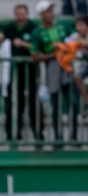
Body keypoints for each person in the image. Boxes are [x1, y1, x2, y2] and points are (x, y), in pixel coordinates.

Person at [31, 1, 78, 147]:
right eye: (47, 12)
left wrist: (66, 50)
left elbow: (75, 41)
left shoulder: (63, 26)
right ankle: (58, 138)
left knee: (73, 103)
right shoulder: (37, 32)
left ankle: (74, 137)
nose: (51, 14)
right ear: (41, 15)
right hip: (52, 69)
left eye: (51, 11)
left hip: (68, 68)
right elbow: (34, 55)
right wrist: (54, 54)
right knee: (55, 105)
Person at [0, 4, 38, 143]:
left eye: (23, 14)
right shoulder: (10, 27)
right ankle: (13, 134)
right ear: (15, 15)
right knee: (14, 103)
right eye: (18, 14)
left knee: (34, 103)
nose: (21, 17)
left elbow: (38, 47)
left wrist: (23, 44)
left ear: (27, 14)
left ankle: (38, 135)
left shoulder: (33, 27)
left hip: (31, 72)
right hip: (14, 73)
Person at [64, 15, 88, 117]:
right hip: (82, 66)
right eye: (77, 25)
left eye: (81, 25)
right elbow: (66, 43)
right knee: (77, 77)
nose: (78, 28)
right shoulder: (75, 37)